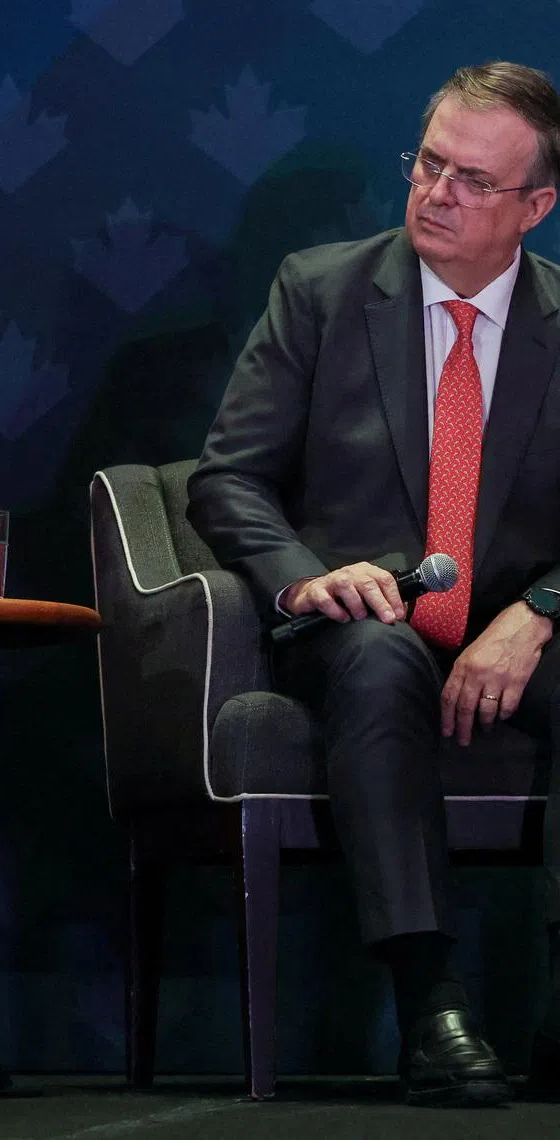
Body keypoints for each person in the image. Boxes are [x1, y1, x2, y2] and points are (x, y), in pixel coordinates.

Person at [187, 61, 560, 1107]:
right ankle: (429, 1000)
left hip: (520, 631)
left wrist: (538, 613)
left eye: (472, 181)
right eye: (429, 163)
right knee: (380, 654)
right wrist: (306, 581)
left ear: (537, 206)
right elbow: (228, 480)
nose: (437, 193)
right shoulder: (322, 291)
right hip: (361, 622)